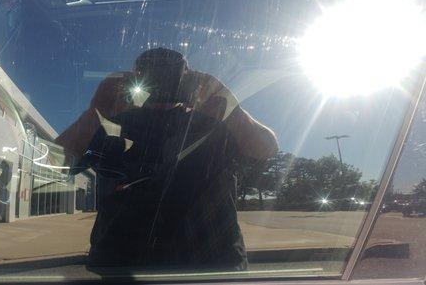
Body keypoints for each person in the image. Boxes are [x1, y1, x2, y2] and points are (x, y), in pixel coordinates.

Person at [56, 48, 278, 270]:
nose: (163, 83)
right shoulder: (112, 123)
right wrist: (95, 111)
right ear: (137, 80)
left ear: (190, 80)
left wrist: (229, 105)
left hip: (211, 264)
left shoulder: (216, 120)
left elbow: (266, 148)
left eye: (172, 75)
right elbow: (57, 162)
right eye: (153, 75)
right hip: (123, 264)